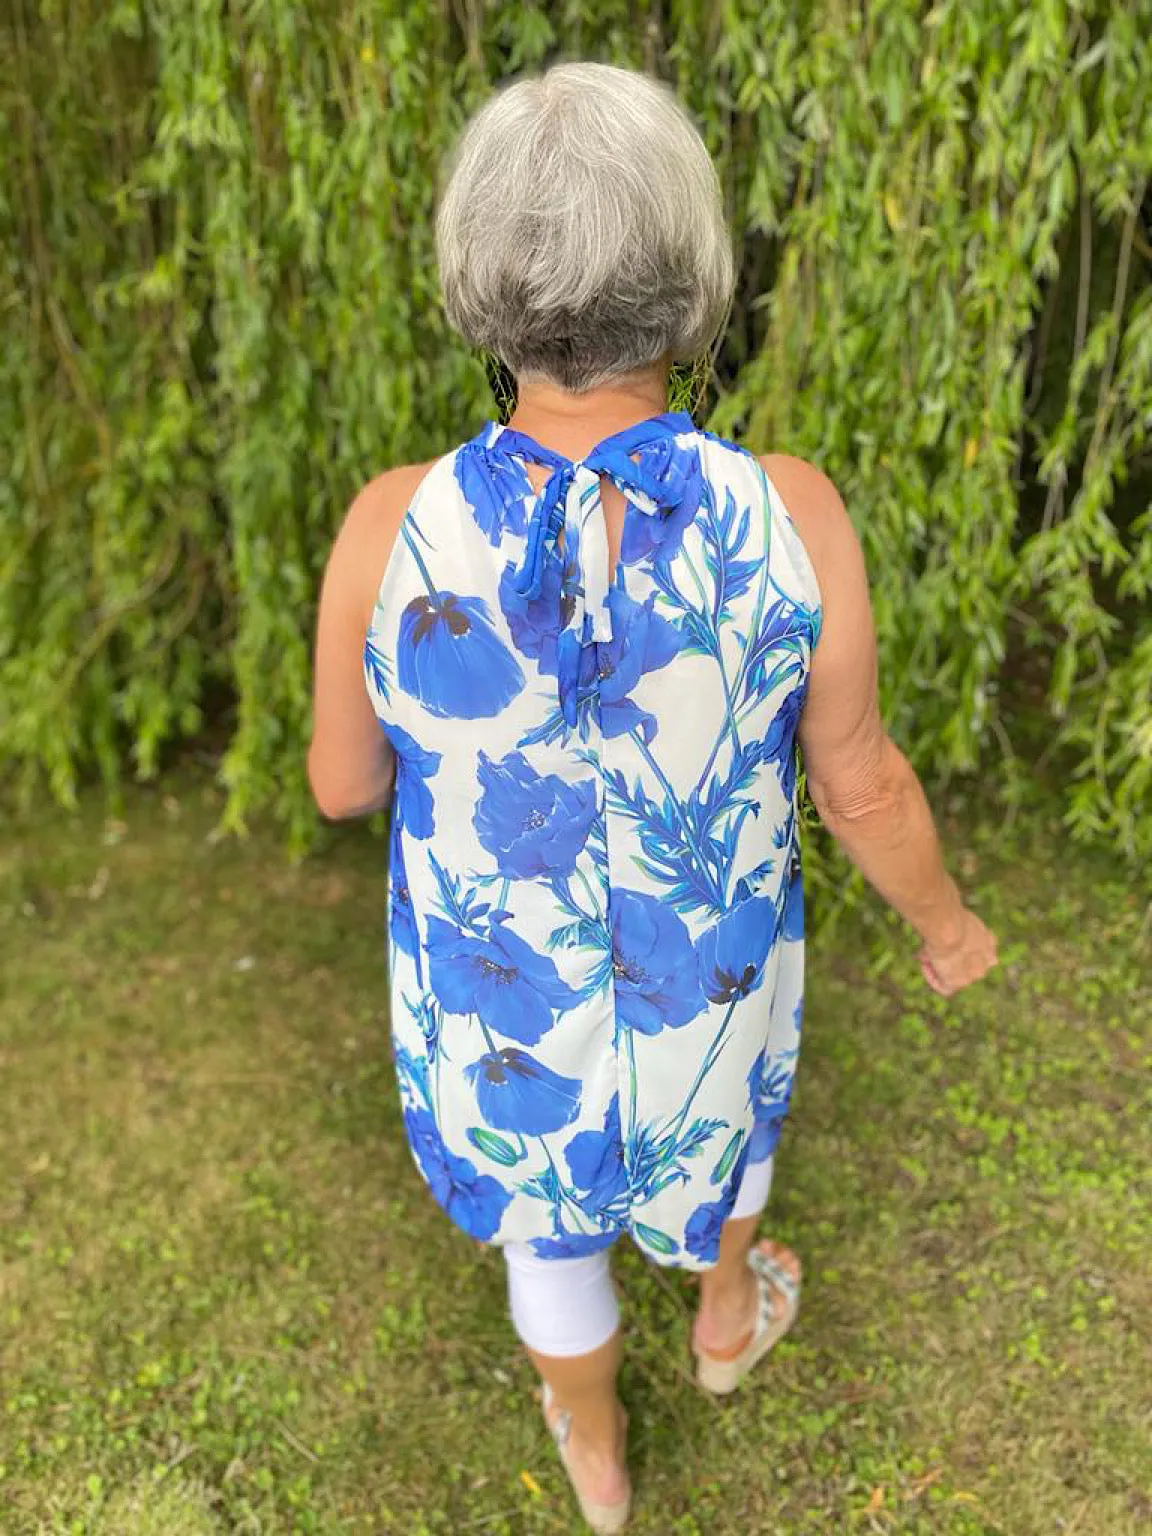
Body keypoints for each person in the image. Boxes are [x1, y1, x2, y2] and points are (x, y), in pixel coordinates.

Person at [307, 61, 997, 1534]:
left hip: (503, 1009)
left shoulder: (389, 527)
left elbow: (340, 783)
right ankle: (726, 1314)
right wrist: (944, 925)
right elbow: (861, 782)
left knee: (546, 1234)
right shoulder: (790, 512)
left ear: (478, 284)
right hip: (714, 976)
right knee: (730, 1124)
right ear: (693, 278)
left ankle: (598, 1454)